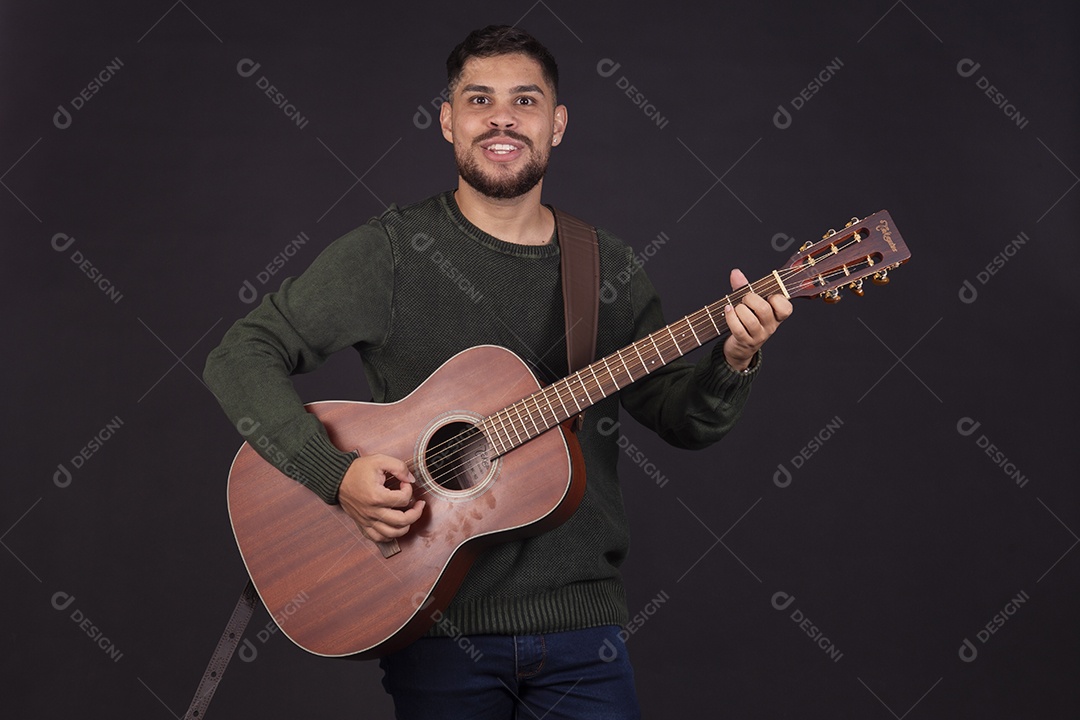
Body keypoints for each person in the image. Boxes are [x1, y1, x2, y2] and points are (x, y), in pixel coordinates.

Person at [204, 24, 792, 719]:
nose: (502, 117)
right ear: (448, 122)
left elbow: (681, 421)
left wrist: (734, 358)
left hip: (583, 629)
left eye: (526, 100)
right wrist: (336, 476)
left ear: (558, 123)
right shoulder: (390, 254)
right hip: (432, 625)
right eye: (479, 100)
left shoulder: (605, 266)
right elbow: (238, 355)